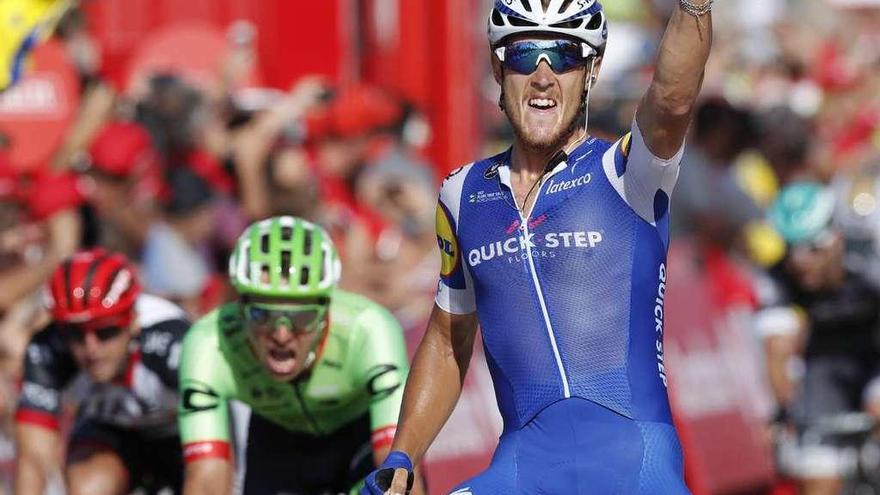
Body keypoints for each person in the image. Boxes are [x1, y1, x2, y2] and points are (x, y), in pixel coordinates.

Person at [364, 0, 713, 493]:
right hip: (522, 471)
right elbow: (447, 341)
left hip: (633, 470)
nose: (544, 76)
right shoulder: (463, 194)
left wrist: (694, 4)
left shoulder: (626, 173)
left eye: (565, 56)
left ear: (591, 71)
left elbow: (673, 100)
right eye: (525, 54)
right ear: (497, 69)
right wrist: (402, 455)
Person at [178, 216, 423, 494]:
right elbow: (206, 478)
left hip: (360, 440)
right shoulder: (208, 341)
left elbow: (397, 471)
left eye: (302, 317)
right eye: (262, 315)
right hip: (278, 448)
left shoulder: (368, 328)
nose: (282, 335)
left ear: (325, 311)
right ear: (240, 307)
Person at [14, 248, 190, 495]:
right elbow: (33, 457)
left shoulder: (171, 342)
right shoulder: (48, 348)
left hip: (183, 436)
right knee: (89, 485)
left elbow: (220, 442)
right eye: (75, 333)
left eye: (106, 331)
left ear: (133, 320)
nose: (91, 348)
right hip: (112, 434)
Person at [755, 182, 880, 495]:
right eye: (790, 248)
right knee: (819, 479)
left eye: (812, 248)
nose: (799, 261)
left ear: (836, 238)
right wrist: (790, 412)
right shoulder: (777, 278)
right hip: (825, 366)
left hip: (874, 355)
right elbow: (777, 352)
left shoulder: (869, 256)